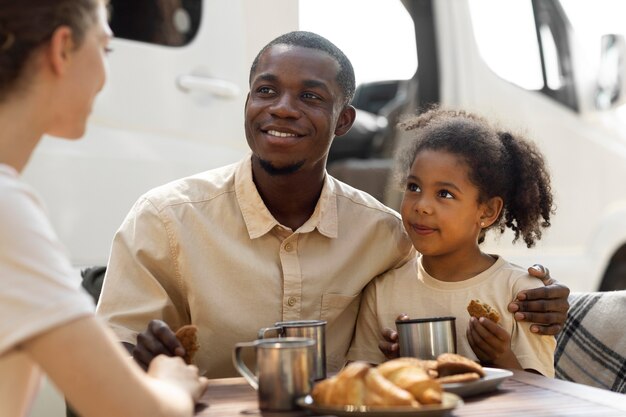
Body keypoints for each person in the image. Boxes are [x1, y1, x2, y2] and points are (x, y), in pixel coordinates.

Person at [95, 31, 569, 379]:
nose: (281, 107)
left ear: (343, 121)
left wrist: (538, 291)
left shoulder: (387, 235)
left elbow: (460, 269)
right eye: (265, 90)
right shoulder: (166, 219)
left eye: (310, 97)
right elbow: (109, 354)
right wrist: (135, 358)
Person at [0, 1, 208, 416]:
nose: (106, 77)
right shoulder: (8, 213)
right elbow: (135, 411)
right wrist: (172, 380)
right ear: (62, 50)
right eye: (105, 47)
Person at [347, 108, 557, 376]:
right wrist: (397, 366)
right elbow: (361, 383)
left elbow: (542, 399)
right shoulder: (381, 291)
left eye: (444, 194)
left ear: (487, 211)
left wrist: (500, 358)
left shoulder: (520, 292)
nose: (422, 205)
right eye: (414, 187)